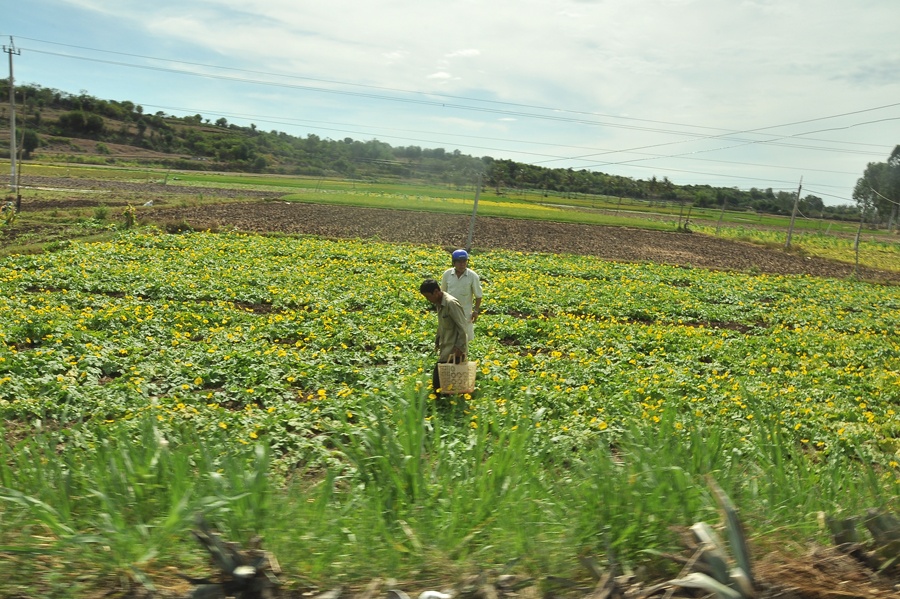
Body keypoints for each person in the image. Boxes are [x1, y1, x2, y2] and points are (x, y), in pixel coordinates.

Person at [419, 278, 469, 392]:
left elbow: (462, 326)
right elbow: (442, 325)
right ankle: (448, 403)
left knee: (439, 381)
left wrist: (460, 347)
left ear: (436, 291)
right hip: (445, 346)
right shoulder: (439, 303)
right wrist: (437, 341)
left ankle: (443, 404)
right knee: (447, 383)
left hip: (454, 350)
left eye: (428, 297)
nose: (428, 300)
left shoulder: (451, 303)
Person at [440, 249, 483, 342]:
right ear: (454, 263)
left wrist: (476, 311)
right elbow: (442, 293)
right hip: (449, 312)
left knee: (465, 339)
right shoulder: (447, 274)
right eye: (459, 262)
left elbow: (478, 295)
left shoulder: (472, 276)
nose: (462, 264)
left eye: (464, 261)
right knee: (449, 337)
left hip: (465, 313)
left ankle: (463, 356)